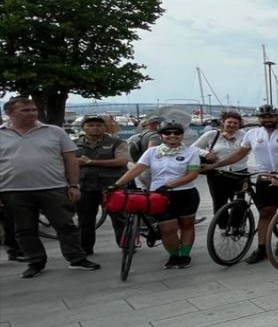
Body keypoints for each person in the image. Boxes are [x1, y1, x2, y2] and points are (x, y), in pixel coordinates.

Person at [0, 96, 101, 277]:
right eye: (25, 110)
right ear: (9, 113)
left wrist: (73, 185)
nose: (31, 113)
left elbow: (70, 160)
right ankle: (35, 261)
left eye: (33, 110)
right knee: (24, 229)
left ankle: (76, 258)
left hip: (53, 187)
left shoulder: (54, 132)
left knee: (66, 225)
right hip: (13, 190)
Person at [208, 104, 278, 264]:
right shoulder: (252, 134)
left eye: (270, 116)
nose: (267, 119)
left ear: (277, 117)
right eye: (263, 117)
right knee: (266, 213)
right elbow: (239, 154)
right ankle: (262, 248)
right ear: (259, 119)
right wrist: (214, 166)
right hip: (264, 177)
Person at [111, 121, 202, 268]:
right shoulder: (152, 152)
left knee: (187, 225)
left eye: (176, 133)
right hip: (158, 196)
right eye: (167, 133)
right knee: (167, 228)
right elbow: (137, 169)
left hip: (185, 193)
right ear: (161, 136)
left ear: (182, 135)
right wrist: (116, 184)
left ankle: (184, 255)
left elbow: (192, 175)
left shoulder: (191, 153)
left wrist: (169, 185)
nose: (172, 135)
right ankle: (174, 255)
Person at [73, 114, 128, 254]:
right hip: (85, 186)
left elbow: (122, 161)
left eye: (98, 125)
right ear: (83, 127)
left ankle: (126, 245)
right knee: (85, 219)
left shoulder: (117, 142)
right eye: (90, 125)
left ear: (105, 127)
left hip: (111, 186)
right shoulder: (73, 144)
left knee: (119, 218)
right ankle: (85, 249)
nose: (95, 128)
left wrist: (90, 162)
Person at [193, 110, 248, 226]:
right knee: (219, 202)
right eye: (229, 122)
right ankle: (223, 226)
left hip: (239, 172)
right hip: (218, 173)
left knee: (239, 201)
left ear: (239, 125)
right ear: (223, 122)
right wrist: (206, 153)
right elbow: (193, 148)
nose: (232, 125)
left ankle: (237, 226)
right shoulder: (212, 135)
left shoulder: (244, 136)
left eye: (235, 123)